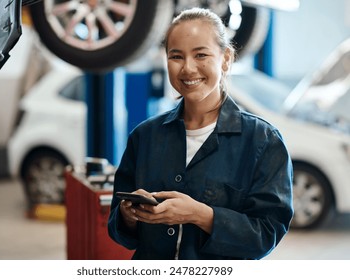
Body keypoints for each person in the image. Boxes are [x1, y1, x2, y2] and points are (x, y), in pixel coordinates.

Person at [108, 7, 293, 260]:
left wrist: (200, 214)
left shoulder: (262, 141)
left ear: (226, 58)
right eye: (176, 56)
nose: (188, 68)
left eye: (201, 55)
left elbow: (267, 234)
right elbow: (119, 232)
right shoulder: (144, 136)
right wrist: (128, 215)